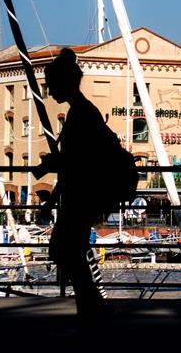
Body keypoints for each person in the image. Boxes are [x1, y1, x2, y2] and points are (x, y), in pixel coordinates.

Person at [33, 48, 111, 320]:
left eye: (52, 86)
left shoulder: (80, 115)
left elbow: (73, 165)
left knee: (65, 250)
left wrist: (51, 196)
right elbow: (73, 163)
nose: (51, 92)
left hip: (81, 196)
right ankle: (90, 305)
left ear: (65, 83)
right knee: (71, 251)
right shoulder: (84, 112)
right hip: (84, 194)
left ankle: (90, 306)